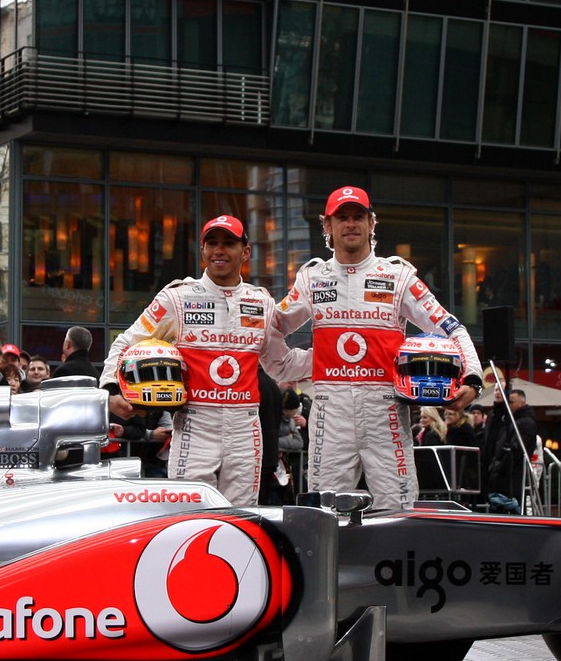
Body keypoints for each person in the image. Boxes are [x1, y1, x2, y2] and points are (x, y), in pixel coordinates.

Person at [271, 188, 481, 513]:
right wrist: (296, 364)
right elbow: (273, 327)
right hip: (330, 410)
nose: (350, 224)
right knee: (324, 512)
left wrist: (473, 378)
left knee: (397, 509)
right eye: (342, 217)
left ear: (372, 223)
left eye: (358, 216)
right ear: (327, 226)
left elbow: (449, 327)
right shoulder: (312, 278)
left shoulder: (398, 276)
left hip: (386, 410)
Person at [103, 216, 306, 507]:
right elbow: (126, 342)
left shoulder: (261, 302)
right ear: (203, 251)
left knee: (242, 519)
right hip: (195, 423)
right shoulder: (178, 297)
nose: (219, 250)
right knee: (190, 515)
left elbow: (280, 363)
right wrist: (111, 389)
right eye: (212, 243)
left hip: (245, 426)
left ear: (245, 252)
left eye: (228, 243)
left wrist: (324, 358)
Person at [483, 386, 542, 511]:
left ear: (522, 403)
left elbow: (518, 450)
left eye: (511, 402)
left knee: (513, 509)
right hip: (506, 475)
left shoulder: (525, 423)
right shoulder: (512, 421)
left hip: (512, 477)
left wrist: (500, 466)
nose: (508, 405)